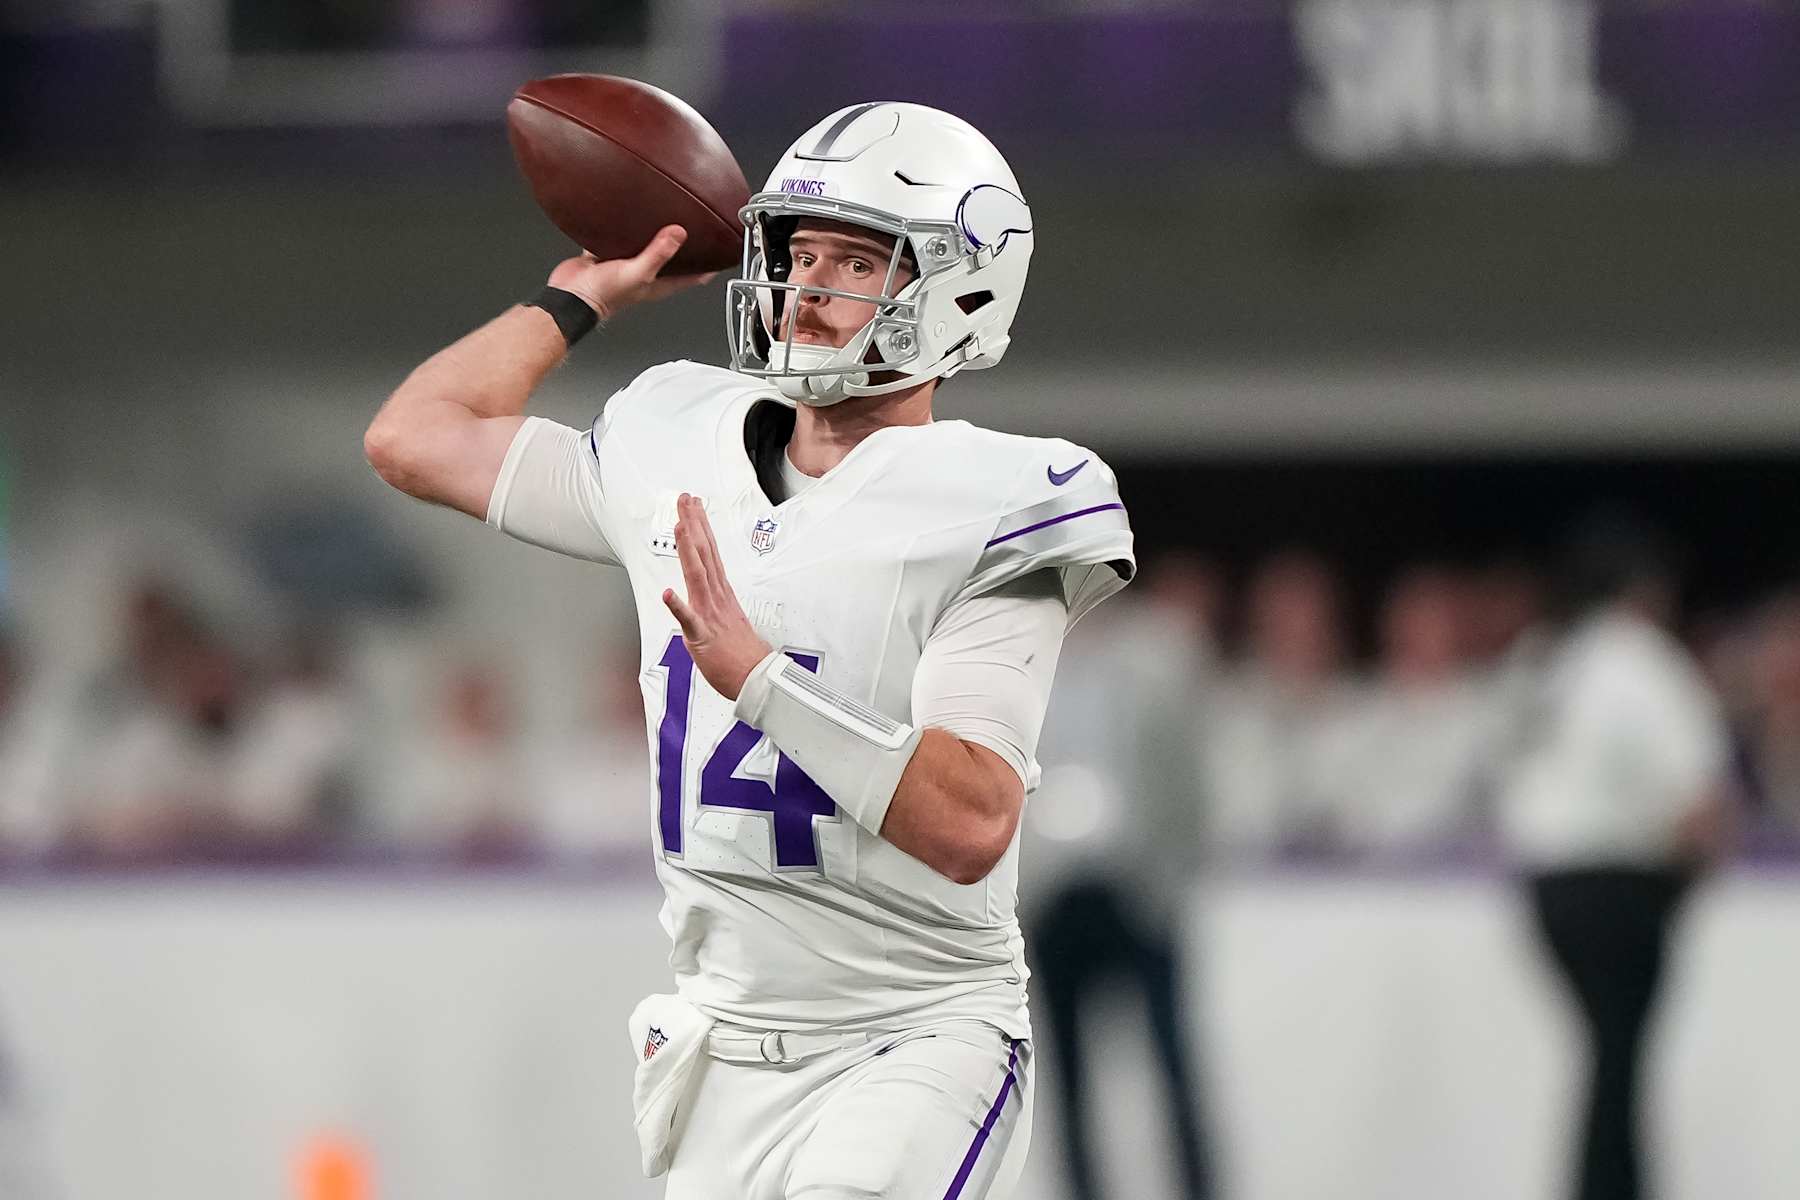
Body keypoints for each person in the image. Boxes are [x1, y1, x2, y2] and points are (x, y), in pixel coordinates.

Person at [364, 102, 1134, 1199]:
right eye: (799, 251)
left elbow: (971, 822)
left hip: (910, 1037)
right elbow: (414, 437)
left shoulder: (1000, 497)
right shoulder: (674, 433)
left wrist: (763, 684)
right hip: (720, 1051)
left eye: (858, 261)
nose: (810, 289)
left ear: (962, 288)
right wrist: (578, 297)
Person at [1497, 513, 1730, 1200]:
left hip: (1547, 888)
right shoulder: (1641, 657)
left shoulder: (1544, 658)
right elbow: (1702, 799)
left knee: (1606, 1059)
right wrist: (1693, 878)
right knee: (1619, 1064)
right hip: (1621, 885)